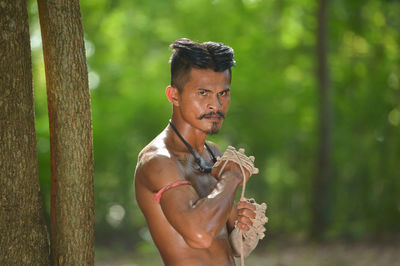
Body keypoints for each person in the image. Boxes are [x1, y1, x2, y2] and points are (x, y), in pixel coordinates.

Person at [134, 38, 260, 266]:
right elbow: (200, 235)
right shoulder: (158, 160)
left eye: (223, 93)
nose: (216, 105)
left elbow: (221, 238)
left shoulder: (212, 153)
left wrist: (241, 223)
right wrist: (231, 178)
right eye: (203, 93)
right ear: (174, 95)